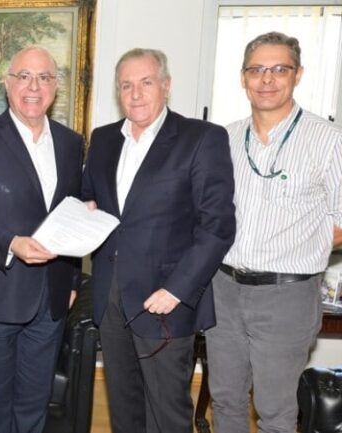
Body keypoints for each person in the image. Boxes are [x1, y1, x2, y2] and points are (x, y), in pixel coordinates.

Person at [81, 48, 235, 433]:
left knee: (167, 416)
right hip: (111, 299)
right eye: (126, 85)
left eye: (146, 82)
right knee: (125, 411)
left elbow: (217, 226)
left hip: (164, 301)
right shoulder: (103, 139)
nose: (135, 93)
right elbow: (90, 197)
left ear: (166, 86)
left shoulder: (202, 138)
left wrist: (177, 290)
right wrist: (85, 208)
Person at [206, 31, 342, 433]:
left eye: (279, 69)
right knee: (225, 399)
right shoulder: (224, 138)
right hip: (223, 289)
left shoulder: (328, 141)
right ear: (243, 77)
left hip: (287, 295)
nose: (267, 79)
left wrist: (298, 248)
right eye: (256, 70)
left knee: (276, 412)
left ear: (298, 74)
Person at [0, 46, 83, 433]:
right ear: (7, 84)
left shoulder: (71, 143)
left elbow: (71, 214)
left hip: (51, 297)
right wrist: (11, 243)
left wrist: (73, 280)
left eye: (44, 78)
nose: (33, 87)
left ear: (55, 87)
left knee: (34, 402)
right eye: (24, 76)